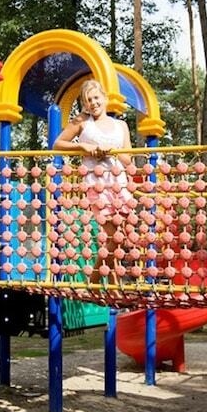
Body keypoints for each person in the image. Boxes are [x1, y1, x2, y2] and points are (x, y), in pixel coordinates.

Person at [53, 79, 133, 283]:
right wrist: (84, 148)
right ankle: (95, 280)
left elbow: (127, 158)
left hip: (119, 183)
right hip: (96, 183)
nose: (93, 103)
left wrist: (110, 152)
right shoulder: (82, 122)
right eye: (88, 100)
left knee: (121, 235)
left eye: (96, 98)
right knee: (115, 236)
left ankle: (113, 283)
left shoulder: (120, 125)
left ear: (105, 98)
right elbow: (58, 144)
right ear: (84, 104)